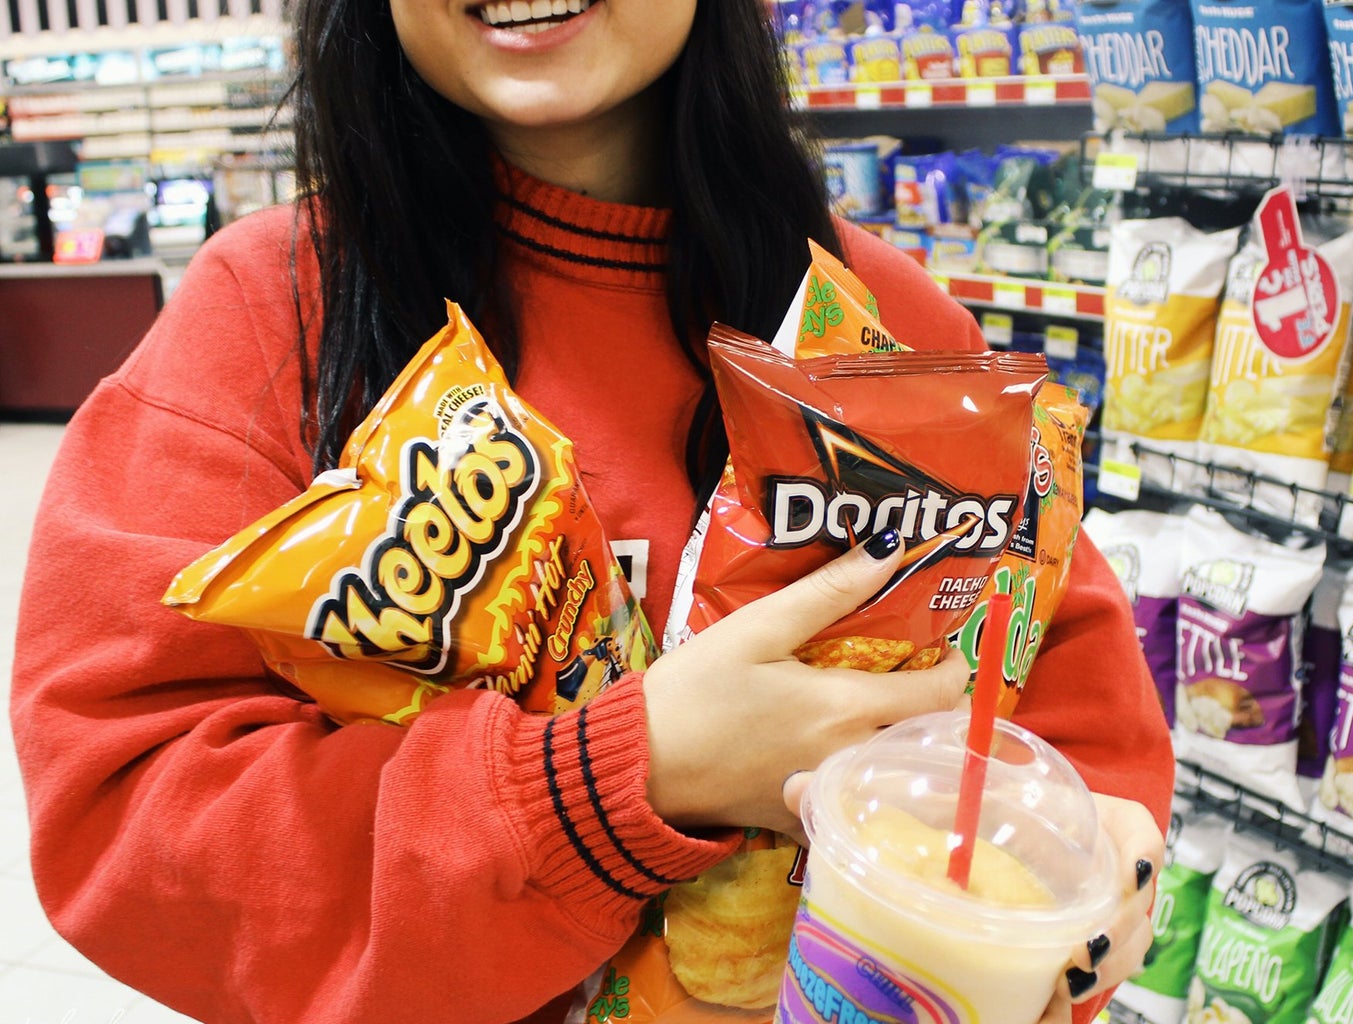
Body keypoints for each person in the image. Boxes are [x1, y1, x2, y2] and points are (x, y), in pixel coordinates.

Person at [9, 0, 1174, 1021]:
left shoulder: (884, 321)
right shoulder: (270, 319)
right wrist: (622, 775)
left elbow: (1066, 702)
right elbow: (129, 823)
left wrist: (1093, 852)